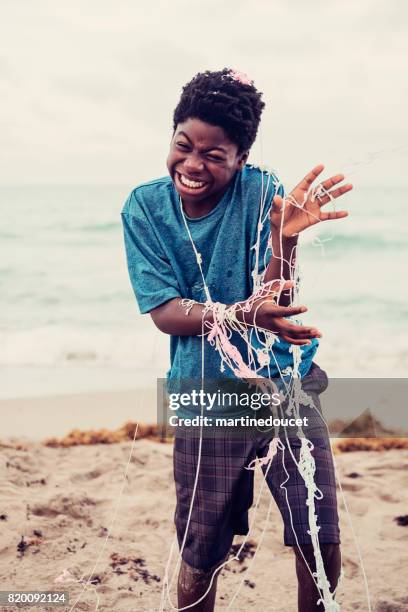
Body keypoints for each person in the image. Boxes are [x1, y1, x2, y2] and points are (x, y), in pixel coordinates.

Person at [121, 68, 352, 612]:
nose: (193, 164)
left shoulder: (265, 195)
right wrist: (245, 312)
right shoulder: (145, 208)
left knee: (319, 534)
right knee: (202, 548)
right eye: (183, 145)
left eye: (215, 154)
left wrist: (285, 238)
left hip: (284, 384)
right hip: (207, 393)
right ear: (173, 135)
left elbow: (277, 293)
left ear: (241, 158)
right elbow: (166, 311)